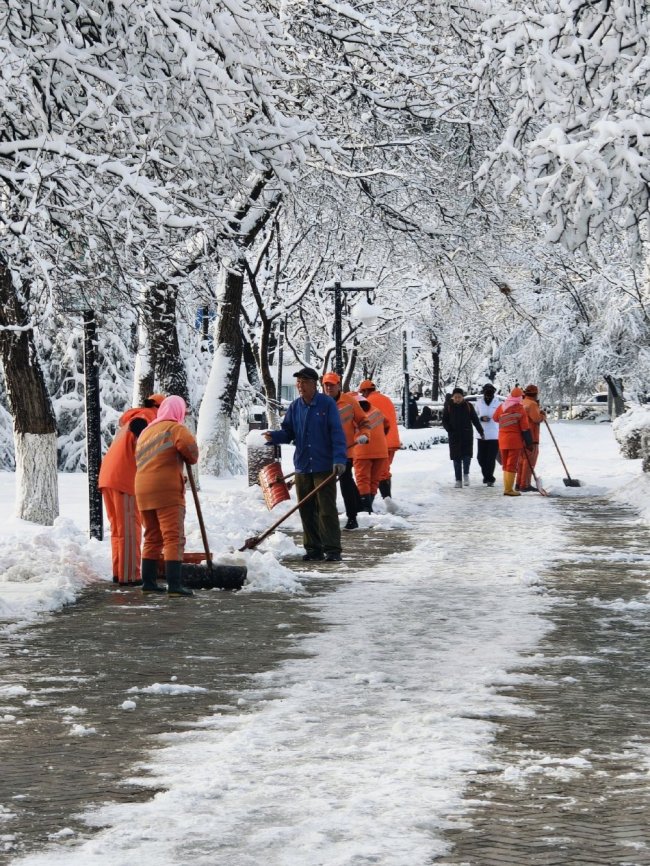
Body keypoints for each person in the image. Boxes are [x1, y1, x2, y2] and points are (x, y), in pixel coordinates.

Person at [264, 368, 348, 562]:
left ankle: (332, 549)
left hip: (324, 465)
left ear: (313, 384)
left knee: (326, 509)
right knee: (306, 509)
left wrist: (339, 459)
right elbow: (288, 433)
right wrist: (274, 436)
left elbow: (336, 433)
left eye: (303, 382)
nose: (300, 386)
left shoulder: (326, 404)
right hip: (303, 465)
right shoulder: (295, 407)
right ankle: (313, 549)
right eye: (298, 382)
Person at [134, 395, 199, 596]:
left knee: (152, 535)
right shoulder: (175, 428)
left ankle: (149, 583)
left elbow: (156, 460)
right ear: (178, 411)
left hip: (142, 489)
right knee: (173, 537)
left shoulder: (147, 431)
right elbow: (192, 453)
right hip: (167, 491)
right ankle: (175, 586)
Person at [98, 394, 165, 585]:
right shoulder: (146, 417)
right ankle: (130, 576)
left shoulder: (132, 418)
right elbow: (140, 430)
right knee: (129, 530)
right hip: (124, 480)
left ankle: (119, 572)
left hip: (109, 478)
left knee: (119, 530)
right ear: (159, 407)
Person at [321, 372, 371, 530]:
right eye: (326, 385)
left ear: (338, 385)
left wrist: (363, 434)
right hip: (324, 452)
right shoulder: (319, 403)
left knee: (346, 482)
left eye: (332, 385)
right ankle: (326, 518)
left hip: (344, 451)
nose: (329, 388)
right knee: (324, 486)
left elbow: (363, 421)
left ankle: (352, 517)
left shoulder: (349, 402)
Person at [358, 379, 401, 508]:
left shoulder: (367, 403)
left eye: (362, 393)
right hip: (393, 440)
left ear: (365, 391)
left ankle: (383, 500)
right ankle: (388, 499)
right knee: (385, 471)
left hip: (379, 443)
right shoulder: (387, 399)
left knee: (376, 474)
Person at [493, 387, 533, 496]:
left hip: (502, 440)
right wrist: (529, 442)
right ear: (520, 397)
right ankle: (508, 489)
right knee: (511, 465)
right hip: (515, 442)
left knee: (505, 465)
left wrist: (505, 419)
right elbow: (525, 428)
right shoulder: (520, 409)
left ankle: (507, 488)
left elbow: (495, 418)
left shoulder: (502, 406)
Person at [352, 397, 390, 513]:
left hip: (362, 451)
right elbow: (387, 426)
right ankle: (369, 505)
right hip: (381, 451)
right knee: (374, 480)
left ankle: (366, 507)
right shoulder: (377, 411)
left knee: (363, 479)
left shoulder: (353, 414)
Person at [441, 387, 484, 487]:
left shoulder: (468, 406)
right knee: (456, 458)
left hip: (466, 435)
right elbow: (444, 420)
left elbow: (475, 419)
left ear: (462, 397)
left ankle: (466, 474)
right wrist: (449, 429)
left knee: (466, 457)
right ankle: (458, 480)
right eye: (455, 397)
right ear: (452, 397)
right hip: (454, 435)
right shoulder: (449, 406)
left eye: (459, 397)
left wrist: (481, 431)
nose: (457, 399)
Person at [516, 384, 546, 492]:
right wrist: (543, 415)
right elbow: (536, 419)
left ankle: (518, 483)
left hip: (522, 436)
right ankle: (525, 484)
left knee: (521, 460)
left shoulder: (522, 402)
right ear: (535, 394)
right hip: (532, 437)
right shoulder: (532, 404)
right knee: (529, 461)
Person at [475, 383, 501, 487]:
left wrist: (495, 419)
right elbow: (475, 416)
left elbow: (501, 417)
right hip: (481, 434)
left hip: (494, 434)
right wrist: (481, 418)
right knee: (480, 458)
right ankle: (487, 475)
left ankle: (489, 478)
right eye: (486, 392)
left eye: (490, 393)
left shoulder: (498, 403)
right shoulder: (479, 403)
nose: (488, 395)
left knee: (490, 458)